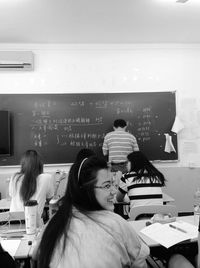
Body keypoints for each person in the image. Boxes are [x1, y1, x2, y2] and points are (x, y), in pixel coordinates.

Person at [36, 156, 149, 268]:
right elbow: (140, 263)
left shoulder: (52, 224)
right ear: (85, 190)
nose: (114, 191)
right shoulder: (116, 224)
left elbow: (35, 255)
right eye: (107, 186)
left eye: (113, 184)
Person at [9, 149, 54, 225]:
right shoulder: (46, 178)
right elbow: (51, 200)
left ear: (23, 164)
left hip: (13, 225)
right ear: (40, 164)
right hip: (34, 224)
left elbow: (12, 195)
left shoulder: (15, 178)